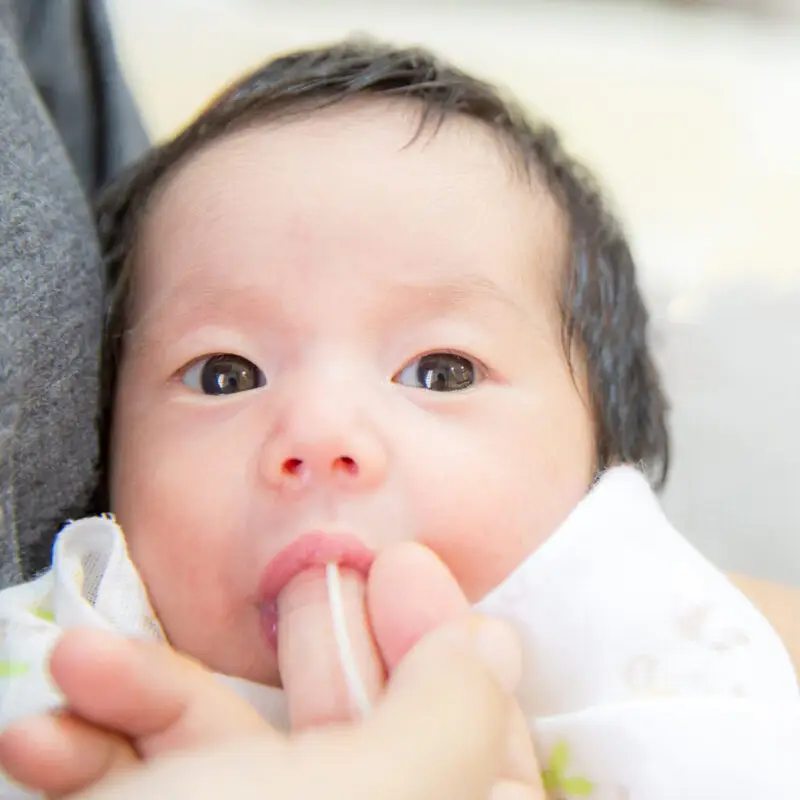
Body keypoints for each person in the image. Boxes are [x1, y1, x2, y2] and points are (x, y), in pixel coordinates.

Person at [1, 37, 799, 799]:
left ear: (604, 476)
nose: (317, 433)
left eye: (441, 373)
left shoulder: (679, 651)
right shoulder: (67, 671)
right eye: (224, 375)